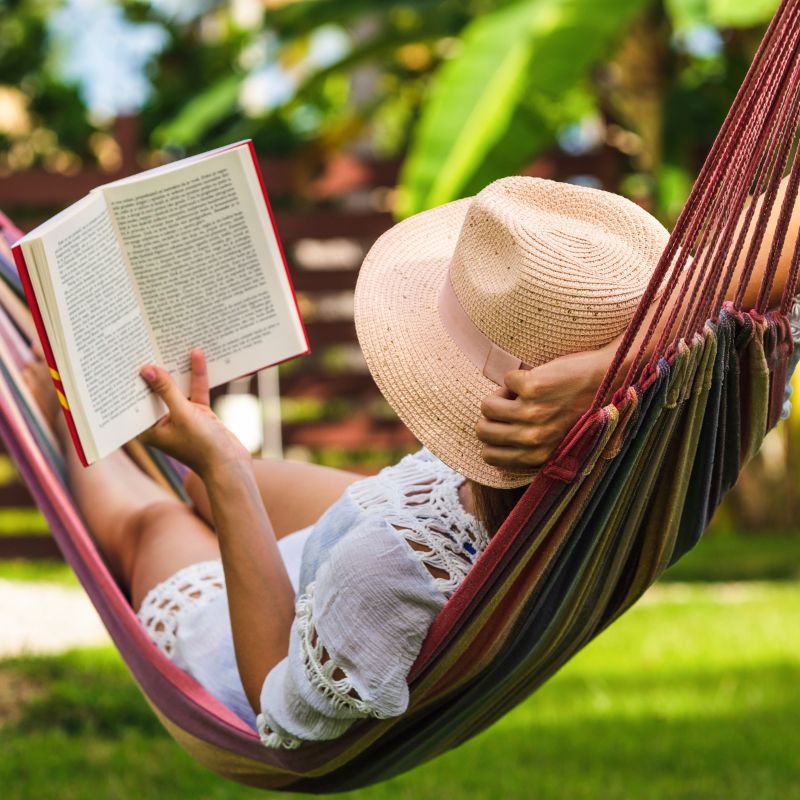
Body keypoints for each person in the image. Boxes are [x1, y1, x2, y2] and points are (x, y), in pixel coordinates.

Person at [21, 175, 800, 749]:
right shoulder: (679, 427)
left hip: (260, 637)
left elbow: (274, 706)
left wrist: (224, 471)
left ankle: (64, 409)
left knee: (156, 514)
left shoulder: (384, 573)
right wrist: (612, 370)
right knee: (209, 473)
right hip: (411, 518)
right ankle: (184, 453)